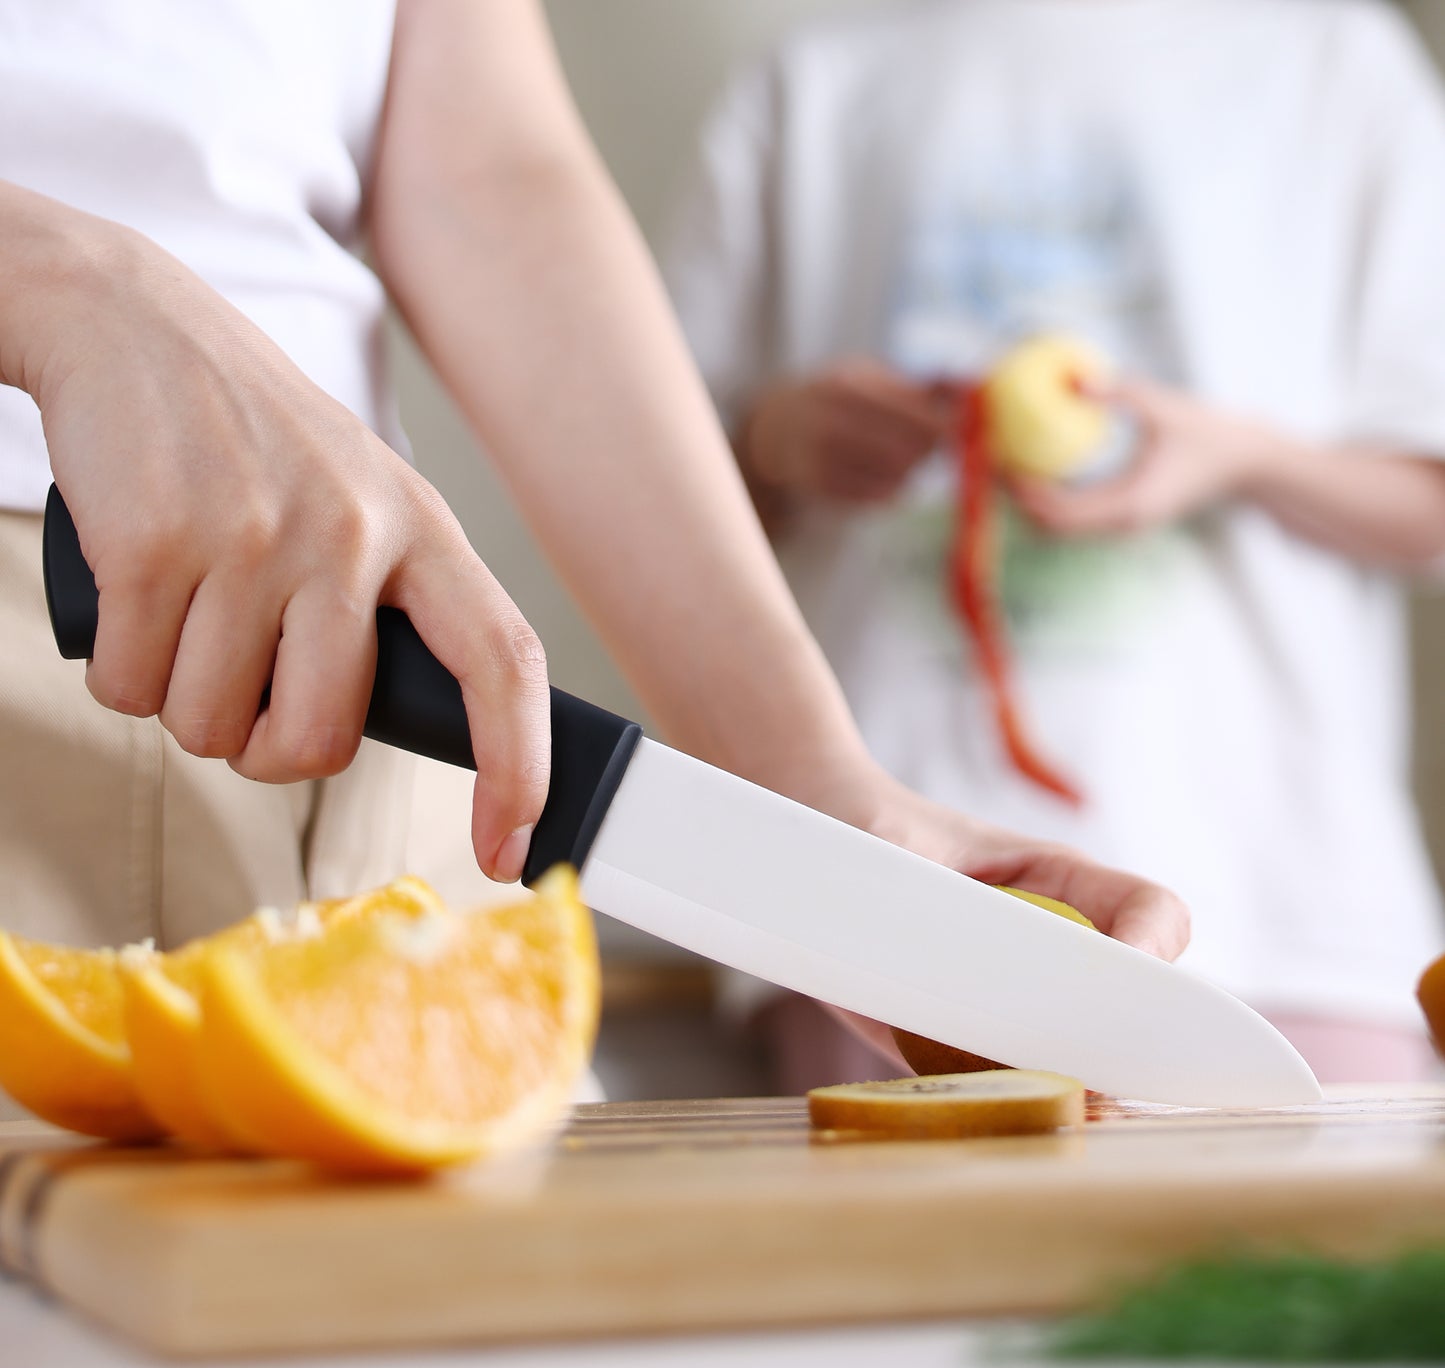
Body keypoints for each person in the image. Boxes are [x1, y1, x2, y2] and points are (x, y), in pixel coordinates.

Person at [0, 0, 1185, 1097]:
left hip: (388, 690)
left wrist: (819, 797)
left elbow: (492, 179)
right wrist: (69, 285)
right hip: (63, 620)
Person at [663, 0, 1445, 1085]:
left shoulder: (1340, 64)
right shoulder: (806, 85)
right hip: (865, 900)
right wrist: (773, 442)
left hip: (1285, 900)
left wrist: (1242, 458)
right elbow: (647, 495)